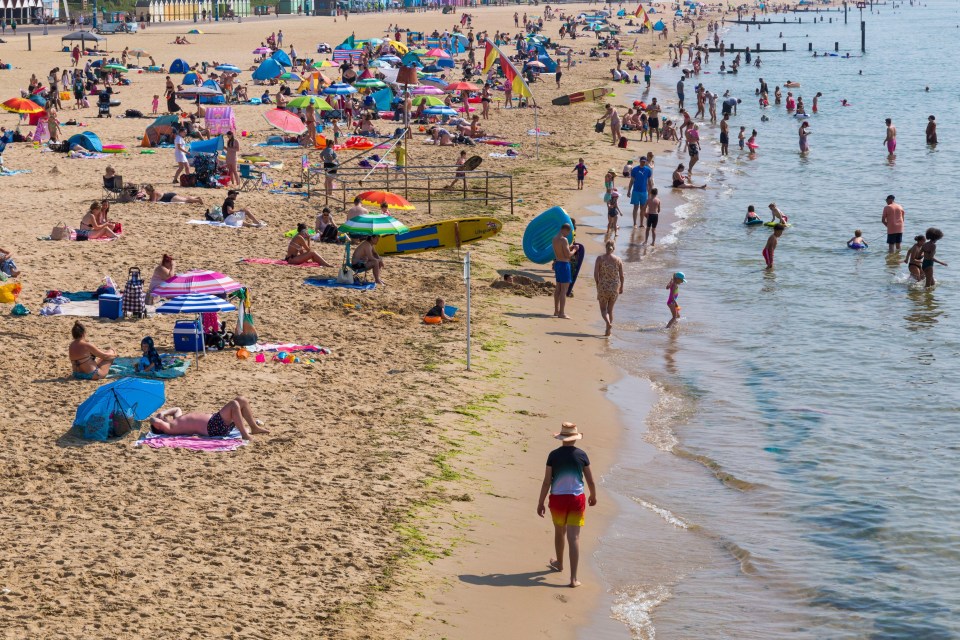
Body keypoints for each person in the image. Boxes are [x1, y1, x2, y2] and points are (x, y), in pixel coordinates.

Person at [536, 422, 597, 589]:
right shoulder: (582, 455)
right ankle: (573, 579)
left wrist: (540, 502)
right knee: (574, 538)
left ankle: (559, 563)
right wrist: (593, 495)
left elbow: (547, 481)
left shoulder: (553, 455)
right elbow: (590, 480)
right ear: (575, 439)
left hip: (557, 499)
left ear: (562, 438)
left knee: (559, 532)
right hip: (576, 499)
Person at [148, 397, 269, 441]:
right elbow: (153, 421)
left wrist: (163, 412)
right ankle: (244, 434)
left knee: (241, 400)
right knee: (234, 404)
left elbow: (177, 409)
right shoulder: (169, 428)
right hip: (213, 427)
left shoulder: (176, 421)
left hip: (215, 421)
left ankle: (254, 427)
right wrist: (157, 418)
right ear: (159, 426)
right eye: (160, 422)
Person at [593, 241, 623, 336]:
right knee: (610, 310)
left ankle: (608, 323)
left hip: (603, 286)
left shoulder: (600, 258)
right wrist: (621, 286)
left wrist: (598, 284)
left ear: (606, 247)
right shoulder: (618, 260)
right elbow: (621, 276)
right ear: (613, 248)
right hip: (614, 287)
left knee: (603, 310)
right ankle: (608, 331)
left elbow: (595, 274)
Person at [552, 223, 575, 318]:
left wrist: (569, 248)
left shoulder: (554, 239)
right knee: (563, 290)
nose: (568, 234)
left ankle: (556, 311)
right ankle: (561, 313)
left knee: (558, 288)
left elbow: (560, 251)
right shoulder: (563, 239)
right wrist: (575, 250)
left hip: (558, 264)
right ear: (565, 230)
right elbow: (568, 255)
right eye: (568, 232)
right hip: (564, 265)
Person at [627, 156, 653, 228]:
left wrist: (650, 193)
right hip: (635, 191)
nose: (643, 162)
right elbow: (631, 181)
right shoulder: (635, 169)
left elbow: (650, 182)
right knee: (635, 207)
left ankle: (641, 223)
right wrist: (629, 191)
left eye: (644, 161)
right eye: (642, 161)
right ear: (640, 161)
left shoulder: (648, 170)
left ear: (646, 162)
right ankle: (635, 223)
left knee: (643, 208)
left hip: (644, 192)